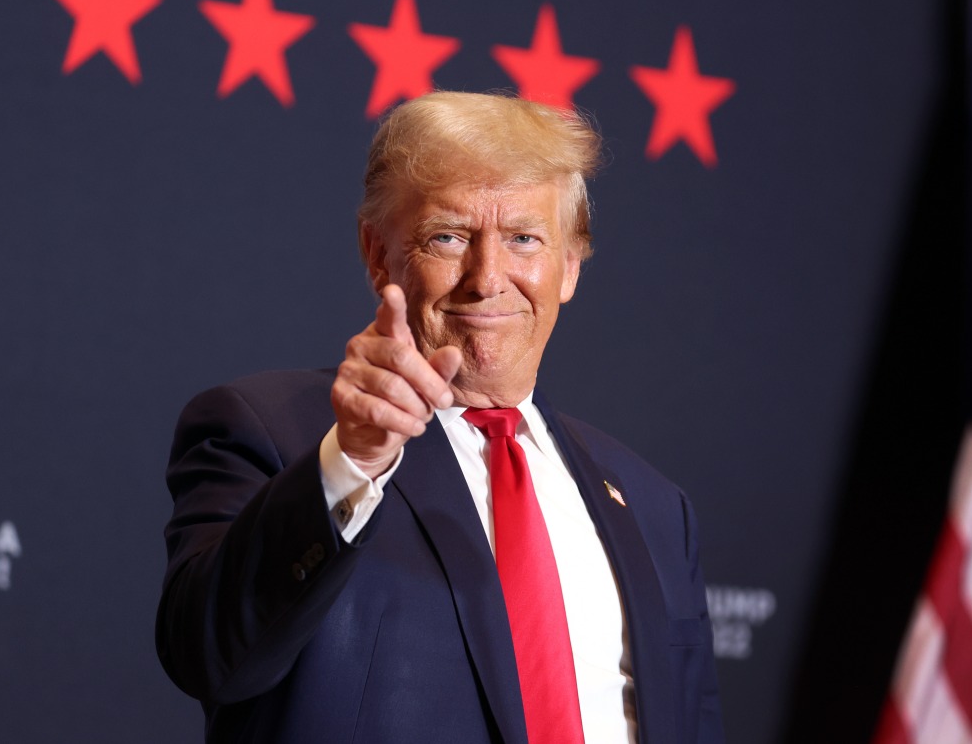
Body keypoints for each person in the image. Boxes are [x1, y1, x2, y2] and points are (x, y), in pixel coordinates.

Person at [156, 91, 723, 744]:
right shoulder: (273, 433)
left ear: (568, 265)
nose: (487, 277)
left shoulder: (655, 507)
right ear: (377, 253)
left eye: (523, 239)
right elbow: (209, 654)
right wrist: (353, 463)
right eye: (448, 236)